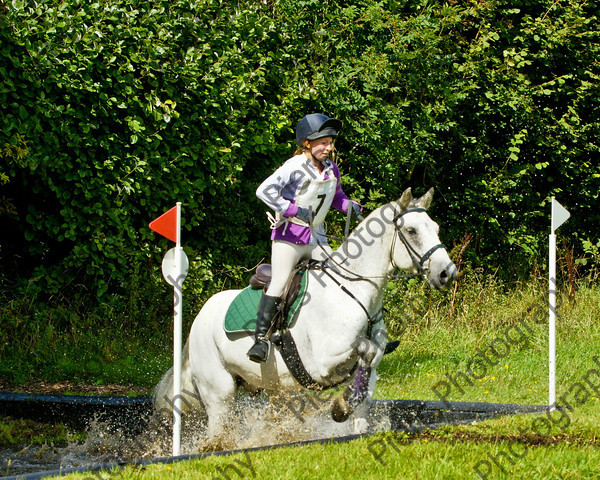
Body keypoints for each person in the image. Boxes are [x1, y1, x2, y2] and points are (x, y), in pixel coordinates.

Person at [247, 113, 363, 363]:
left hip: (316, 239)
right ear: (307, 143)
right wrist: (291, 209)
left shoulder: (332, 169)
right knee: (278, 283)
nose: (328, 147)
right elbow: (263, 190)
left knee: (341, 273)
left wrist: (349, 206)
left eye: (330, 142)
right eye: (323, 142)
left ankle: (354, 334)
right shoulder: (294, 166)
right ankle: (261, 341)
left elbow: (336, 197)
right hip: (289, 237)